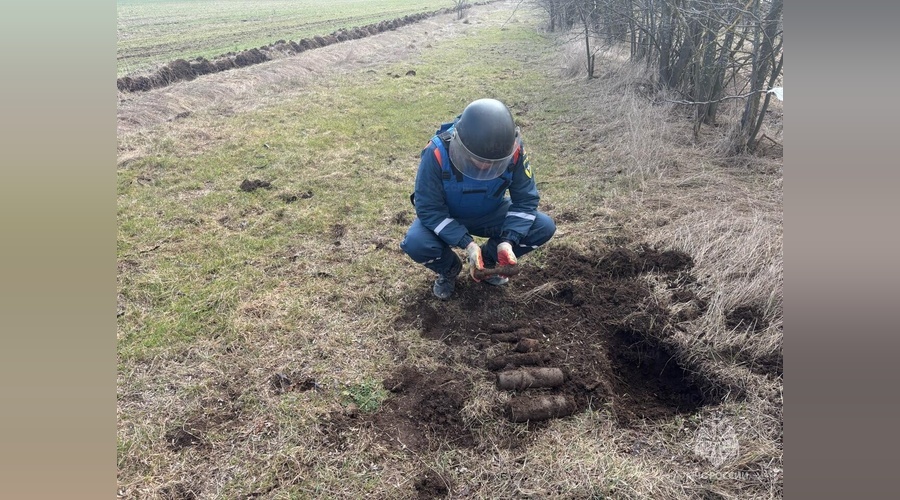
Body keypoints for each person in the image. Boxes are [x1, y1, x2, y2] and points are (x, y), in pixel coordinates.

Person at [400, 98, 556, 300]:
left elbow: (525, 200)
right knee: (416, 242)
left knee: (543, 226)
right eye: (478, 161)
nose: (486, 168)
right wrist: (467, 244)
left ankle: (488, 259)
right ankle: (449, 269)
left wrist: (508, 240)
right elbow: (429, 208)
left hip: (490, 214)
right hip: (447, 215)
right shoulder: (437, 152)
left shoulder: (514, 151)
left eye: (494, 164)